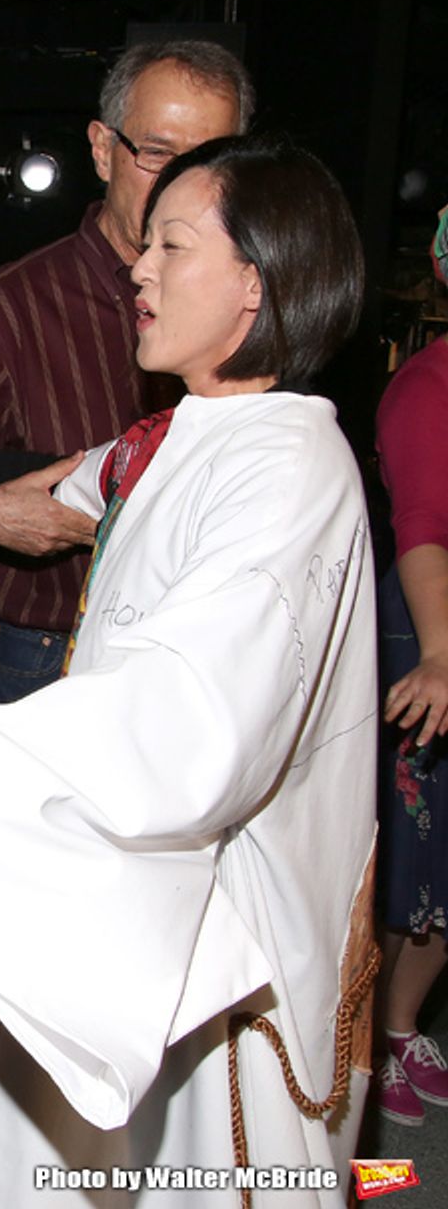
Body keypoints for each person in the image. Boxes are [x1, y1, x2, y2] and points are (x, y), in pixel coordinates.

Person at [0, 136, 378, 1205]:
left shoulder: (285, 470)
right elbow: (81, 477)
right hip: (134, 863)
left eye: (170, 246)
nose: (137, 266)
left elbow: (188, 717)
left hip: (216, 914)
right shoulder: (193, 429)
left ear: (255, 283)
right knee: (17, 1099)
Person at [0, 39, 252, 703]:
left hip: (199, 651)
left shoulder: (255, 301)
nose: (182, 182)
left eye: (209, 159)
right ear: (102, 151)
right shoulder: (17, 306)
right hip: (45, 658)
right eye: (156, 153)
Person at [372, 204, 448, 1126]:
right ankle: (385, 1032)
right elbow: (422, 529)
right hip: (428, 636)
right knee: (413, 869)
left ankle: (403, 1024)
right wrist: (438, 652)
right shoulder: (426, 388)